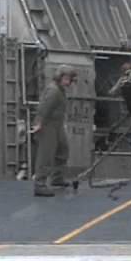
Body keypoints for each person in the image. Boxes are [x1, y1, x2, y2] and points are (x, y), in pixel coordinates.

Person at [31, 65, 77, 197]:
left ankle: (57, 178)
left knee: (63, 149)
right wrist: (39, 123)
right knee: (46, 154)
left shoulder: (60, 90)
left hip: (57, 124)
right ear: (60, 77)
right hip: (48, 125)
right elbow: (44, 108)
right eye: (67, 78)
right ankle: (39, 184)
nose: (69, 82)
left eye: (70, 79)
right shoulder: (54, 91)